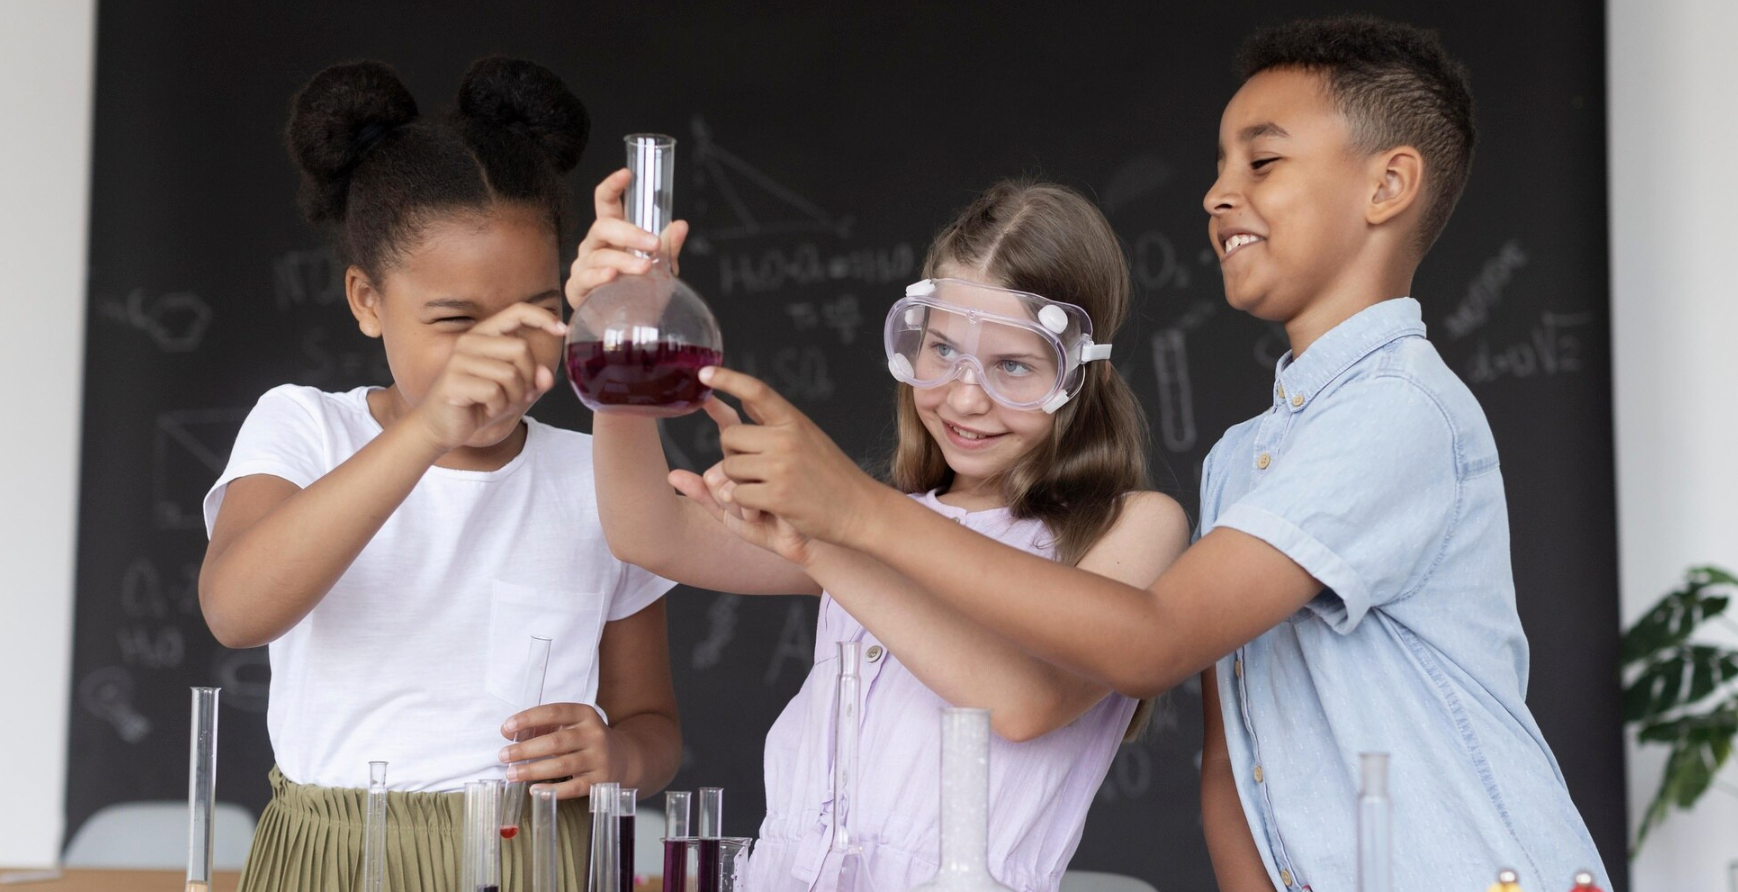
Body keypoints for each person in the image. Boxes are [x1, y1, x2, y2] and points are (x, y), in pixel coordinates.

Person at [695, 16, 1610, 891]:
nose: (1218, 193)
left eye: (1262, 159)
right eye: (1219, 165)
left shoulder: (1397, 411)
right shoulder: (1246, 456)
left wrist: (855, 511)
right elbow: (1231, 767)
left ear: (1387, 186)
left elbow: (1151, 644)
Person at [571, 174, 1189, 892]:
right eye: (941, 350)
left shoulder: (1133, 527)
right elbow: (648, 533)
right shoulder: (881, 521)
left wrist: (830, 534)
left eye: (1013, 366)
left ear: (1081, 374)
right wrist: (616, 336)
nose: (964, 396)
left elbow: (1024, 705)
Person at [198, 58, 680, 892]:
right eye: (455, 321)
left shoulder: (596, 477)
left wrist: (619, 752)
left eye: (533, 313)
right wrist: (426, 430)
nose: (500, 350)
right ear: (366, 300)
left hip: (536, 857)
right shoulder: (305, 427)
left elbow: (654, 723)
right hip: (338, 856)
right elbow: (236, 610)